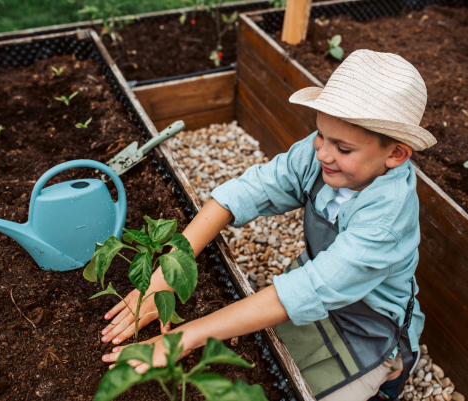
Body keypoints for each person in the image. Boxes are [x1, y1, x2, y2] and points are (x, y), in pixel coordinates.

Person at [100, 49, 437, 401]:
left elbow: (309, 289)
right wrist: (168, 273)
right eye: (320, 134)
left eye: (343, 147)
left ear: (395, 155)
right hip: (322, 285)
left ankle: (391, 374)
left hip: (370, 327)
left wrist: (181, 339)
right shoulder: (322, 153)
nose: (321, 153)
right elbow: (247, 191)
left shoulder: (385, 218)